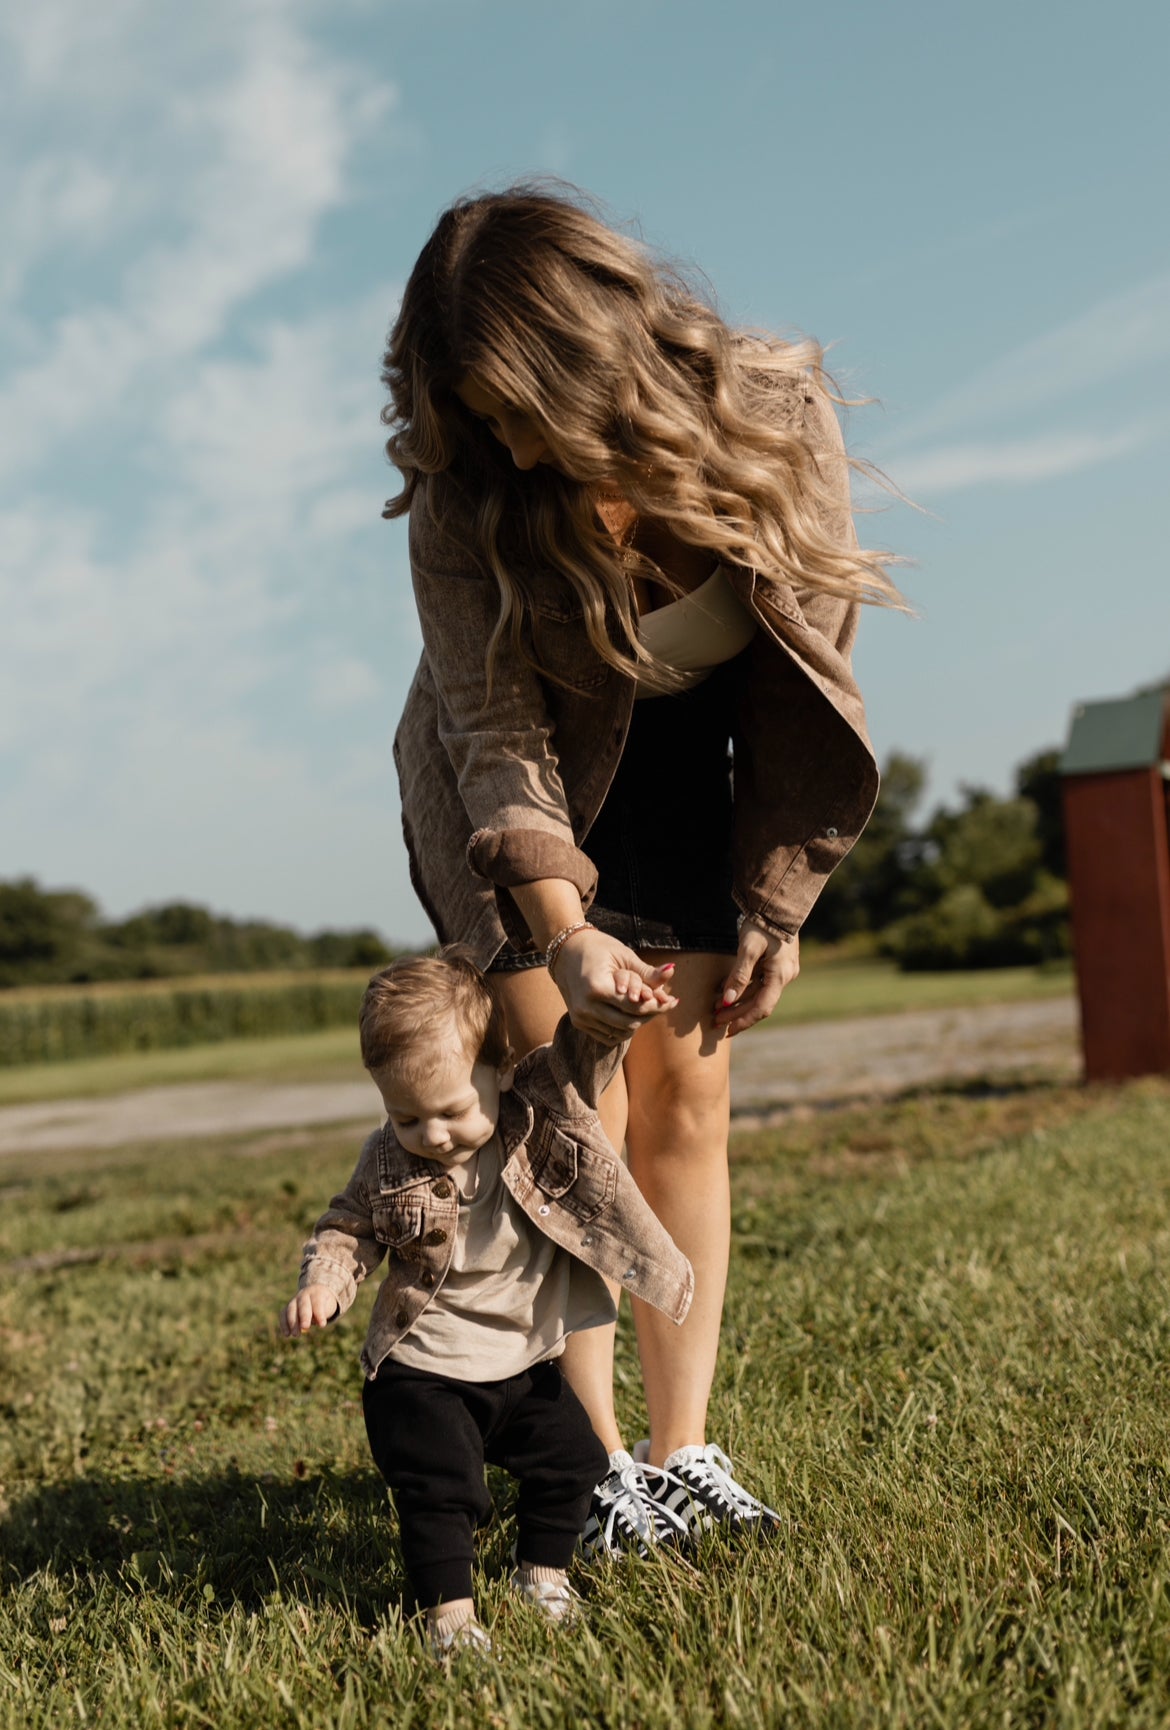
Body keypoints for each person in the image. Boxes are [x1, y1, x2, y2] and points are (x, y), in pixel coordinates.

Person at [384, 184, 899, 1551]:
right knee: (579, 1115)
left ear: (588, 355)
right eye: (473, 412)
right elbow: (489, 733)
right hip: (520, 792)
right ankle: (597, 1472)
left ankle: (685, 1451)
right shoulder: (465, 484)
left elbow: (809, 673)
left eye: (514, 402)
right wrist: (559, 931)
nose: (500, 437)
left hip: (693, 758)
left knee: (690, 1100)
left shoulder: (775, 413)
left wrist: (775, 899)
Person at [280, 951, 693, 1657]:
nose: (431, 1136)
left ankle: (543, 1579)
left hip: (522, 1363)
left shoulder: (538, 1113)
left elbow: (583, 1053)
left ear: (498, 1072)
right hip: (423, 1372)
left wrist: (619, 1009)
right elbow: (347, 1228)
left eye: (449, 1111)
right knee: (446, 1493)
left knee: (574, 1463)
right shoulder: (388, 1160)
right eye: (405, 1116)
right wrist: (325, 1282)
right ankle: (448, 1620)